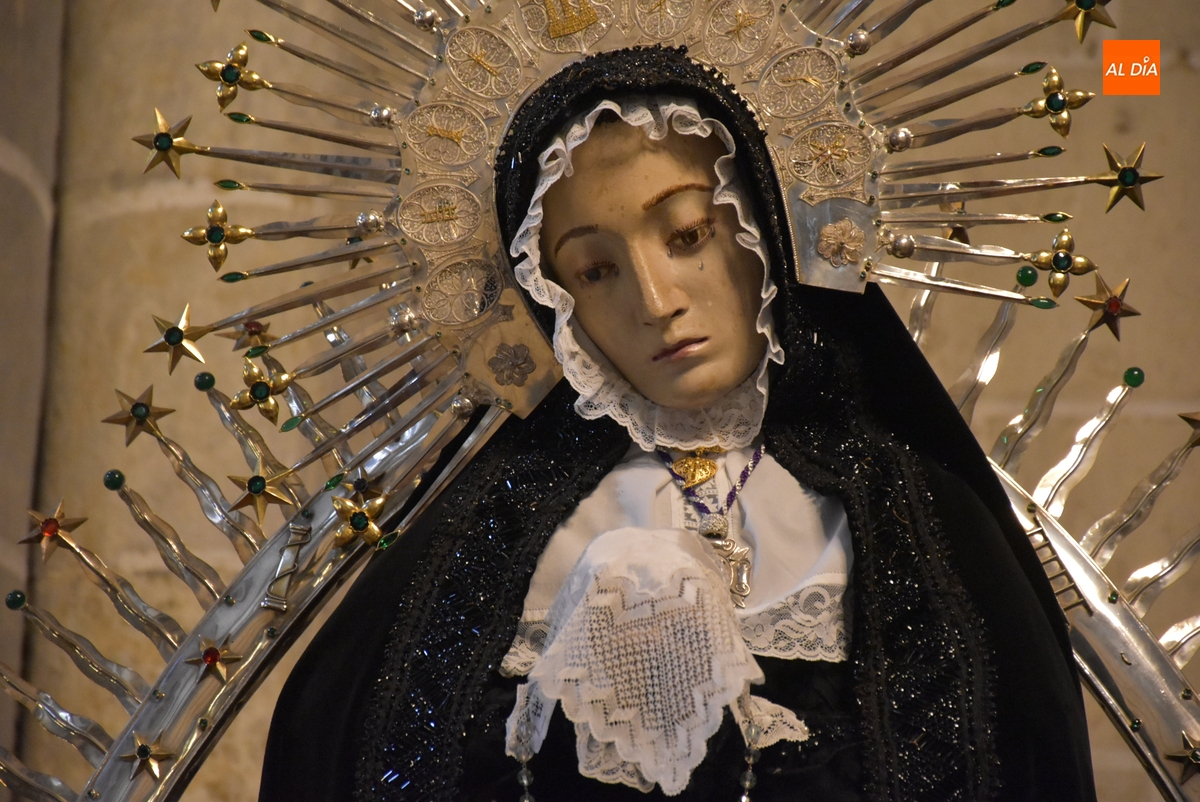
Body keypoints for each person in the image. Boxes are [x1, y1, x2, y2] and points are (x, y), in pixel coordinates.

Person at [259, 46, 1096, 802]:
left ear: (762, 228)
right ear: (555, 301)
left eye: (688, 233)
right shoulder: (481, 544)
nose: (656, 303)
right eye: (595, 268)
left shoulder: (916, 523)